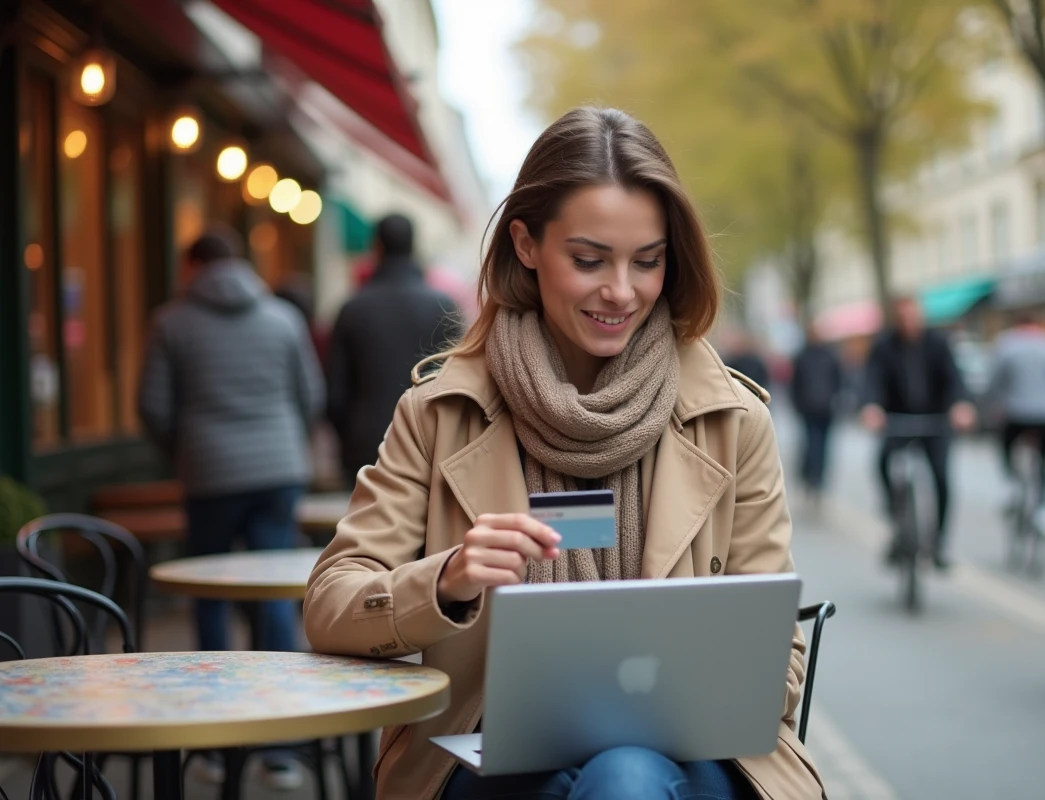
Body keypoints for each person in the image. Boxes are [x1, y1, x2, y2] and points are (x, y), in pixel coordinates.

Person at [304, 107, 824, 800]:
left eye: (648, 261)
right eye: (588, 260)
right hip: (486, 761)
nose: (621, 291)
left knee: (625, 776)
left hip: (695, 761)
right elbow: (331, 606)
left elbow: (781, 662)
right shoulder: (438, 413)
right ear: (525, 244)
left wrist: (687, 691)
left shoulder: (734, 419)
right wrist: (448, 578)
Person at [139, 225, 324, 789]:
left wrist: (189, 448)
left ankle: (218, 742)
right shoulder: (282, 318)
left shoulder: (171, 322)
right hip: (278, 470)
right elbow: (309, 397)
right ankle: (282, 747)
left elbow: (152, 405)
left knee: (211, 593)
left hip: (209, 473)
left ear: (193, 266)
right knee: (271, 595)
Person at [325, 213, 463, 488]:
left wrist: (348, 436)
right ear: (413, 245)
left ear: (377, 247)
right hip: (432, 440)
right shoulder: (443, 306)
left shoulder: (353, 309)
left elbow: (335, 393)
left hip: (366, 445)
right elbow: (459, 380)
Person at [860, 296, 975, 569]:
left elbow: (954, 378)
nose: (909, 323)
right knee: (881, 463)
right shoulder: (883, 346)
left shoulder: (938, 343)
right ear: (896, 319)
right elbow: (872, 380)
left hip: (934, 421)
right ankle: (896, 518)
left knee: (942, 479)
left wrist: (961, 406)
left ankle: (938, 543)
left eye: (913, 317)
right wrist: (872, 407)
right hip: (897, 421)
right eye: (903, 318)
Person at [987, 312, 1045, 534]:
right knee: (1044, 461)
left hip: (1015, 413)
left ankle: (1010, 483)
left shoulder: (1006, 343)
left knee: (1005, 444)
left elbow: (995, 380)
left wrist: (992, 403)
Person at [790, 322, 843, 502]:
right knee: (813, 444)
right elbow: (795, 383)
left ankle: (818, 479)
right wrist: (797, 404)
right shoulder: (802, 356)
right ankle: (812, 477)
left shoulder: (830, 356)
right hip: (809, 409)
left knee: (823, 446)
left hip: (826, 409)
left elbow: (838, 380)